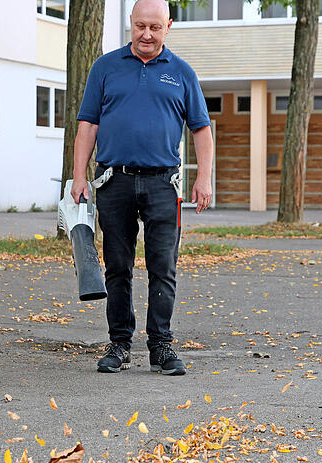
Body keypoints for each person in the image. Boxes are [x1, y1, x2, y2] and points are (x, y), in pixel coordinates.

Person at [71, 0, 214, 375]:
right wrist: (79, 175)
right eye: (140, 26)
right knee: (117, 267)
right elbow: (88, 125)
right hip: (113, 181)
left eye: (155, 27)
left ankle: (161, 346)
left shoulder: (182, 72)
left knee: (163, 267)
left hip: (163, 184)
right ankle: (119, 344)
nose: (146, 34)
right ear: (131, 24)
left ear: (168, 26)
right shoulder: (105, 68)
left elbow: (201, 129)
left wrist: (204, 178)